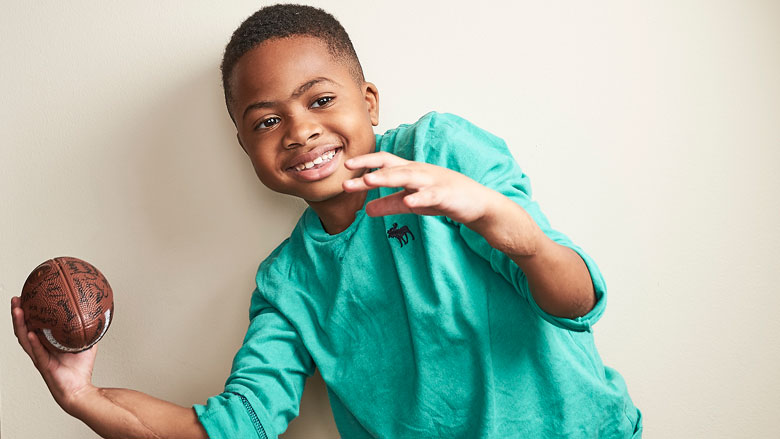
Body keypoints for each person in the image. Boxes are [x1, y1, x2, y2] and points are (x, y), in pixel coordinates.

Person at [11, 4, 642, 438]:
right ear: (245, 147)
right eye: (266, 120)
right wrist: (83, 399)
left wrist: (501, 220)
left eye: (320, 100)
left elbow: (575, 302)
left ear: (368, 100)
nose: (301, 130)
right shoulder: (288, 283)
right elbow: (240, 426)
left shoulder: (442, 152)